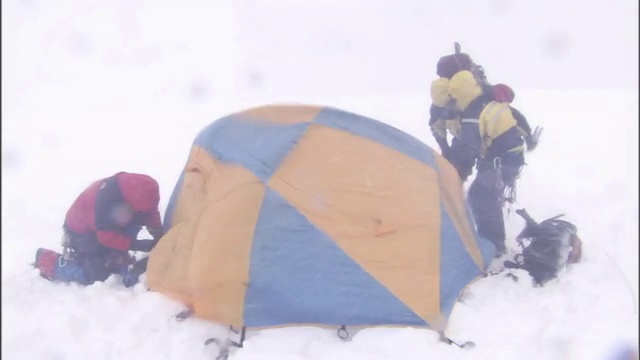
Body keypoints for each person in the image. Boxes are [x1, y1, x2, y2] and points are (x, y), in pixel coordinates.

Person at [33, 172, 163, 287]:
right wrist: (134, 244)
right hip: (82, 233)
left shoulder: (139, 191)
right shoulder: (105, 201)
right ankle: (47, 261)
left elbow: (150, 211)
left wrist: (156, 230)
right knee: (95, 274)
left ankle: (115, 257)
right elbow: (105, 235)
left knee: (117, 258)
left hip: (110, 223)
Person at [447, 70, 526, 255]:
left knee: (481, 195)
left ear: (462, 94)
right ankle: (490, 240)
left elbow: (469, 148)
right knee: (482, 193)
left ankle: (494, 246)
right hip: (505, 156)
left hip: (503, 159)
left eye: (456, 97)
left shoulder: (473, 113)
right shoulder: (483, 102)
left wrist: (456, 175)